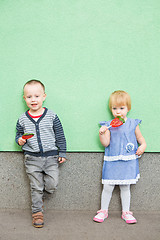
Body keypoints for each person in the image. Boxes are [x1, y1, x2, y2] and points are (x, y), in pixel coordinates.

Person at [15, 79, 66, 228]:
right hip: (32, 158)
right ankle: (37, 213)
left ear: (44, 96)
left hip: (51, 157)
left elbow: (60, 135)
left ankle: (41, 195)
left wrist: (62, 151)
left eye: (37, 96)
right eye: (29, 97)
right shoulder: (22, 119)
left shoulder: (52, 116)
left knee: (52, 184)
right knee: (35, 187)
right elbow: (18, 134)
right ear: (25, 99)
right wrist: (20, 140)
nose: (33, 100)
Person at [93, 90, 146, 224]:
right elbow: (106, 144)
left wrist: (143, 146)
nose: (118, 112)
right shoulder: (109, 125)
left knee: (125, 187)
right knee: (108, 187)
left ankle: (126, 212)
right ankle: (103, 210)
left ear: (128, 108)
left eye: (121, 108)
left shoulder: (133, 123)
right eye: (114, 108)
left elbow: (140, 138)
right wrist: (102, 133)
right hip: (112, 160)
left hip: (128, 161)